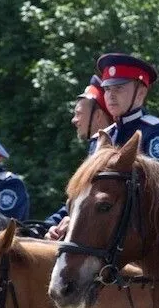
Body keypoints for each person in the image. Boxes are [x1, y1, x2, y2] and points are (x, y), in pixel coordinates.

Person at [47, 54, 159, 240]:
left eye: (119, 88)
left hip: (142, 240)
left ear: (141, 92)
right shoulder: (101, 138)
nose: (110, 96)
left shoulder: (158, 133)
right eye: (107, 89)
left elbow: (149, 196)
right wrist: (57, 222)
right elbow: (85, 192)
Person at [44, 75, 113, 233]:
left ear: (97, 116)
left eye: (79, 113)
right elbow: (77, 200)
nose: (74, 120)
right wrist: (46, 227)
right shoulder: (94, 147)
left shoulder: (112, 148)